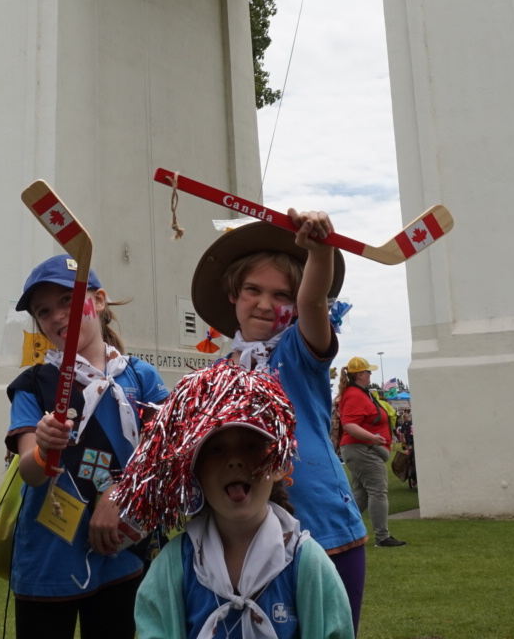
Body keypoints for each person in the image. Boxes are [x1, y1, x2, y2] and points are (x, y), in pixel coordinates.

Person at [190, 214, 370, 631]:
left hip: (324, 527)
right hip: (246, 542)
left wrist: (320, 253)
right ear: (233, 295)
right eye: (253, 289)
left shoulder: (299, 349)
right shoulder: (214, 375)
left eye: (282, 294)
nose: (266, 304)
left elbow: (313, 303)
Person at [115, 361, 355, 639]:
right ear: (194, 471)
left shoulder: (307, 563)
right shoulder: (173, 567)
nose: (235, 460)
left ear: (278, 465)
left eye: (251, 446)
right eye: (217, 449)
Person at [5, 255, 170, 639]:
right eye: (44, 311)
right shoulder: (33, 385)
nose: (57, 316)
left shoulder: (139, 376)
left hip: (120, 552)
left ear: (98, 301)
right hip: (49, 557)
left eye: (68, 300)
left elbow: (165, 455)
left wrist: (120, 494)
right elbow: (30, 473)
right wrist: (44, 448)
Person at [337, 357, 403, 549]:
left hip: (360, 449)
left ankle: (342, 532)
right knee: (377, 492)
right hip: (362, 449)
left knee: (362, 494)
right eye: (368, 372)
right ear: (359, 375)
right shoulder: (355, 395)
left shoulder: (358, 393)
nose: (370, 374)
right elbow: (349, 424)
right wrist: (372, 438)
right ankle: (382, 537)